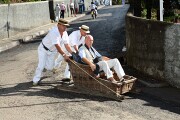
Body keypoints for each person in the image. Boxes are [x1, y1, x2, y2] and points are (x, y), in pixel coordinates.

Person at [32, 19, 73, 86]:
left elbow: (67, 45)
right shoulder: (54, 32)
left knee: (50, 68)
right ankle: (35, 80)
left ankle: (45, 66)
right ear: (58, 25)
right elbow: (57, 46)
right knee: (41, 65)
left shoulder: (65, 33)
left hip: (52, 51)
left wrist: (73, 53)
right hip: (43, 49)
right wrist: (64, 55)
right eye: (63, 26)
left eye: (66, 26)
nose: (65, 28)